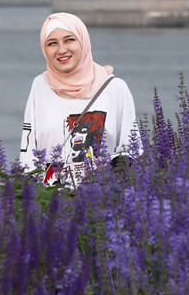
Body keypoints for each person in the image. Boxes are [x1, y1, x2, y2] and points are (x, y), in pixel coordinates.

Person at [19, 12, 139, 186]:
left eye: (69, 40)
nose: (61, 50)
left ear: (83, 41)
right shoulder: (40, 86)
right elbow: (28, 151)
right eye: (52, 43)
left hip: (101, 200)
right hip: (50, 202)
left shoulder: (114, 88)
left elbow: (131, 148)